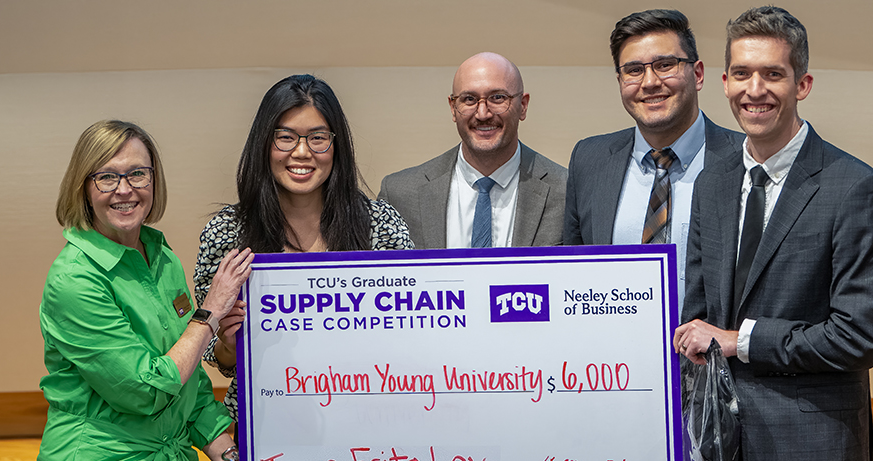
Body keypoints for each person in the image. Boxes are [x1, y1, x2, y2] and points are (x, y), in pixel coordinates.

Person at [674, 7, 873, 460]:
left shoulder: (856, 188)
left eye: (772, 74)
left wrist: (740, 340)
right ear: (724, 83)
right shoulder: (711, 184)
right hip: (717, 435)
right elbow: (698, 316)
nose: (754, 90)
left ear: (802, 84)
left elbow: (858, 337)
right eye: (742, 73)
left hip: (813, 439)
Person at [196, 74, 414, 425]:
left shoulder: (379, 224)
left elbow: (411, 331)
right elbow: (214, 352)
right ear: (264, 144)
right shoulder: (227, 232)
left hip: (368, 418)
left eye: (318, 138)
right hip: (265, 422)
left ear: (336, 145)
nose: (302, 152)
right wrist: (228, 345)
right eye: (285, 137)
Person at [39, 120, 253, 460]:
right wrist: (209, 314)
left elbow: (187, 377)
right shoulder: (74, 280)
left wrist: (228, 452)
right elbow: (143, 391)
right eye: (107, 177)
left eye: (137, 173)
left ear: (154, 180)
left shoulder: (162, 258)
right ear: (83, 188)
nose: (125, 190)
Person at [563, 9, 743, 312]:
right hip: (616, 356)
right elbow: (572, 274)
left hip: (714, 355)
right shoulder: (589, 160)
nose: (649, 82)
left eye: (665, 65)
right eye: (634, 70)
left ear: (697, 74)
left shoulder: (745, 159)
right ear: (620, 81)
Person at [378, 52, 567, 249]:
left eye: (498, 97)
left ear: (523, 106)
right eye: (469, 99)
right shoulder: (400, 195)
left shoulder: (566, 191)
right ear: (453, 108)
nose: (483, 113)